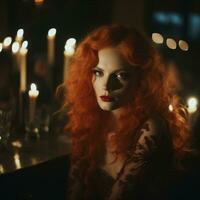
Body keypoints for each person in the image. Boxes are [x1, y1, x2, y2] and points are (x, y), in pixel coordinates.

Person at [64, 25, 190, 200]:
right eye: (98, 72)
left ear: (141, 79)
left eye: (121, 75)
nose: (107, 86)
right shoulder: (90, 118)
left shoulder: (151, 128)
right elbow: (74, 191)